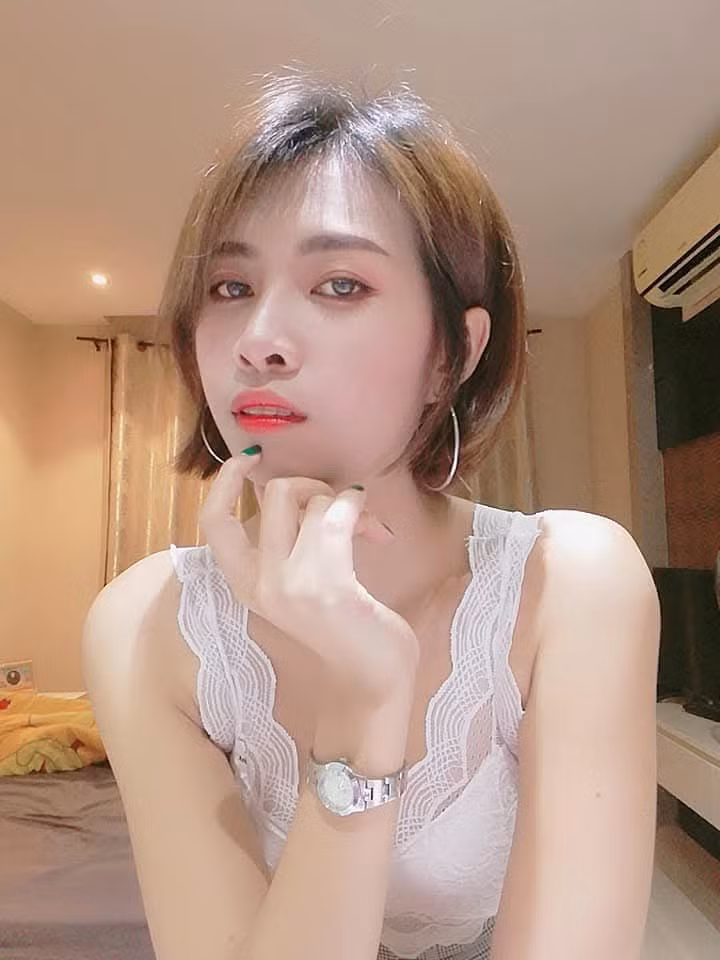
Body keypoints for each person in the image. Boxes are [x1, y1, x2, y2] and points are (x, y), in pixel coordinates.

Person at [82, 75, 660, 960]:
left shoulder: (573, 583)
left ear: (453, 353)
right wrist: (363, 716)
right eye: (229, 286)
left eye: (341, 284)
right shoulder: (142, 625)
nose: (257, 339)